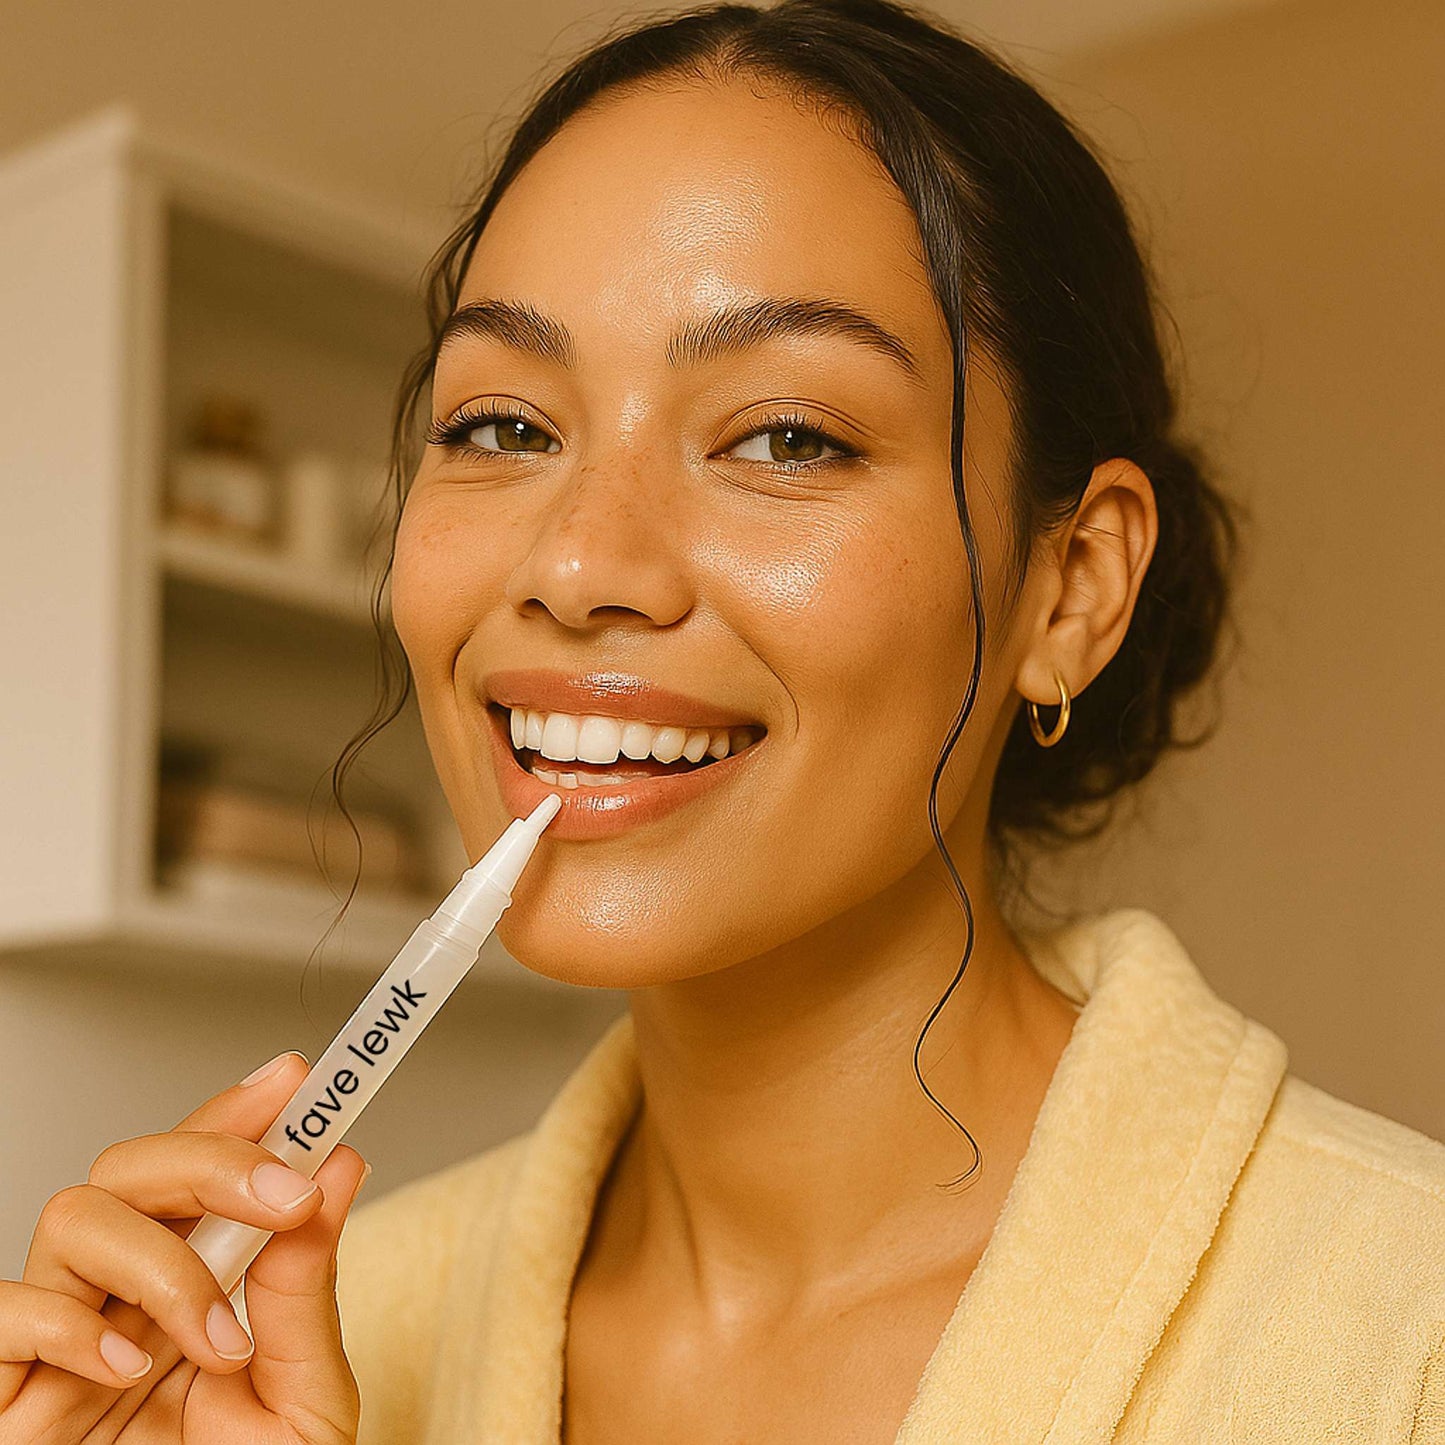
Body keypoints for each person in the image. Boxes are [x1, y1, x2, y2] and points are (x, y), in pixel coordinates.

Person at [4, 0, 1443, 1440]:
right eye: (502, 426)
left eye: (784, 436)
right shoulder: (286, 1342)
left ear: (1067, 584)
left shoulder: (1401, 1328)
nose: (576, 564)